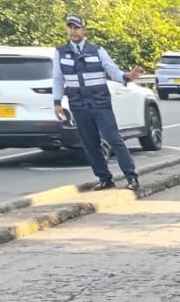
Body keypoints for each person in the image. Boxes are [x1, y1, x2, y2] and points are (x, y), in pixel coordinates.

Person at [51, 15, 143, 192]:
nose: (73, 30)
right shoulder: (60, 52)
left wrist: (127, 77)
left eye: (77, 27)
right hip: (78, 104)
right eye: (70, 27)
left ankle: (131, 177)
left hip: (100, 102)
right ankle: (104, 178)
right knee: (89, 144)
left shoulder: (97, 50)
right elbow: (58, 79)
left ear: (84, 29)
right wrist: (57, 103)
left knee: (114, 139)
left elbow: (112, 70)